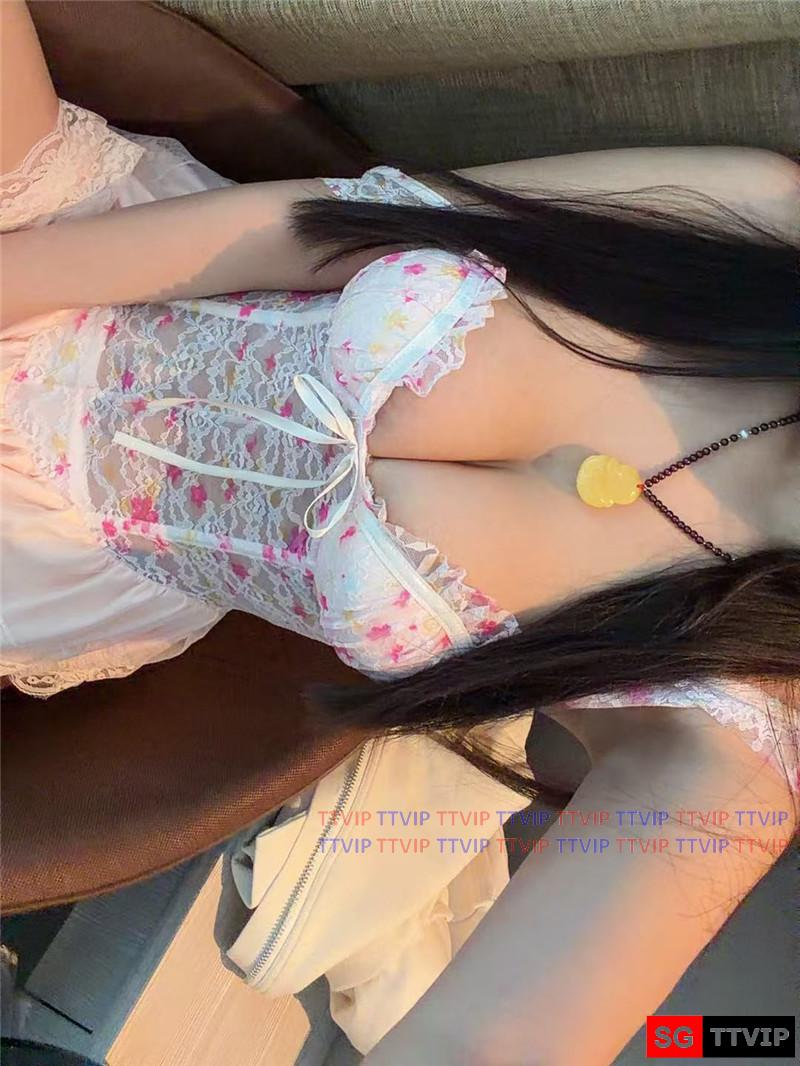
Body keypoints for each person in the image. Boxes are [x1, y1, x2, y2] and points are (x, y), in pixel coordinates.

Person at [1, 2, 797, 1061]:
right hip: (85, 249)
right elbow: (326, 226)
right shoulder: (762, 223)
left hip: (46, 548)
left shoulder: (727, 742)